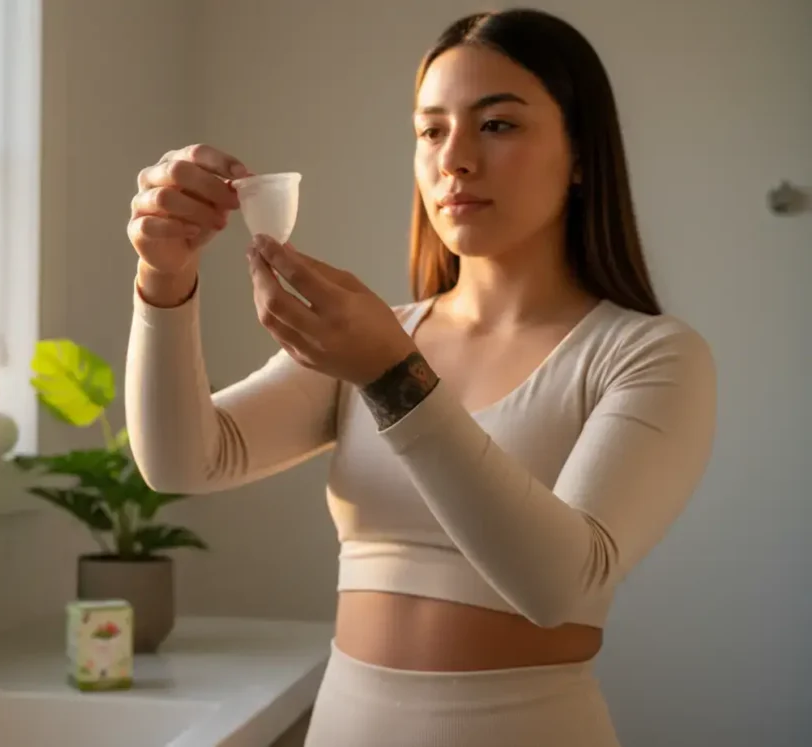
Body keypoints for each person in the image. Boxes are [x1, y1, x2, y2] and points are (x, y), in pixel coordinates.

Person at [124, 8, 716, 746]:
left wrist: (392, 376)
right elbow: (184, 459)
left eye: (497, 125)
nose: (454, 159)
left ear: (581, 154)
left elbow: (558, 587)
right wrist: (164, 279)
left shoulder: (648, 355)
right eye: (431, 130)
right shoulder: (380, 335)